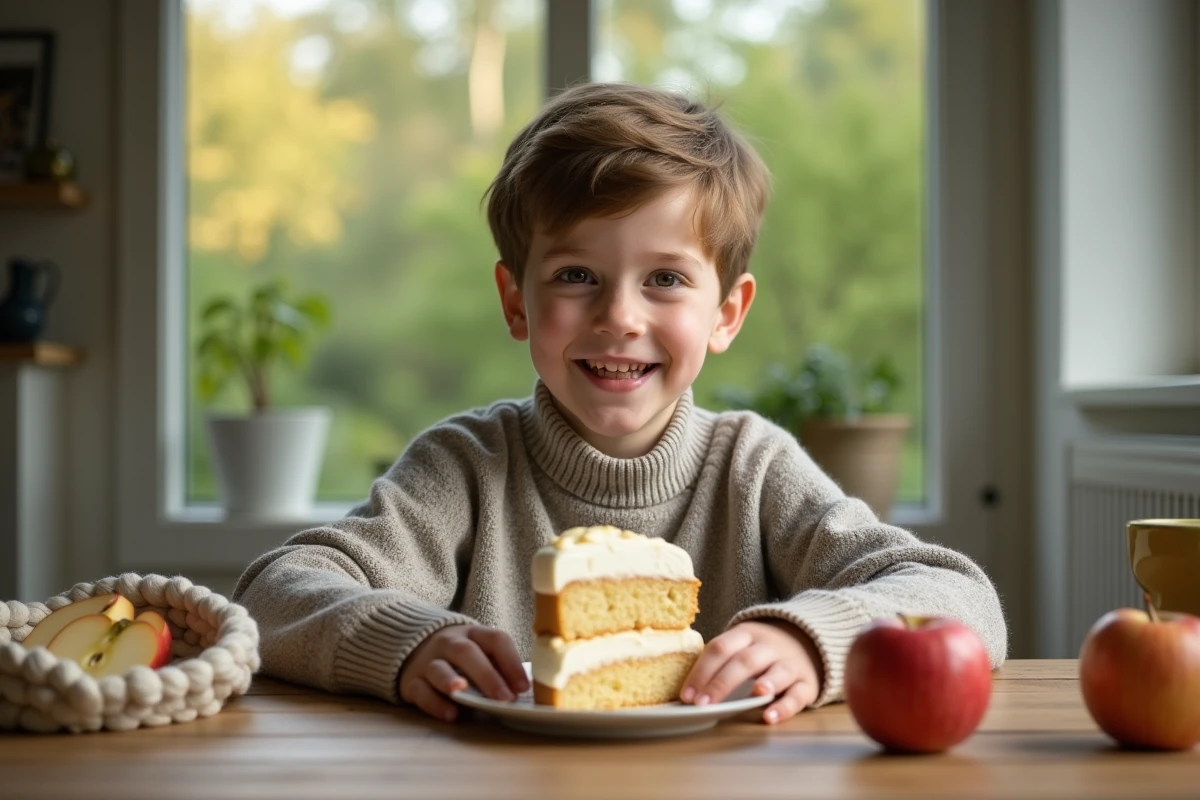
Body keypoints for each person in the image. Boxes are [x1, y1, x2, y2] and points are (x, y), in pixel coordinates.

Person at [233, 82, 1007, 726]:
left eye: (665, 279)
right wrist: (402, 642)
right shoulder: (467, 467)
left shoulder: (753, 466)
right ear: (516, 302)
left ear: (727, 313)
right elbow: (275, 590)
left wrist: (814, 639)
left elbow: (962, 599)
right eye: (576, 276)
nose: (621, 317)